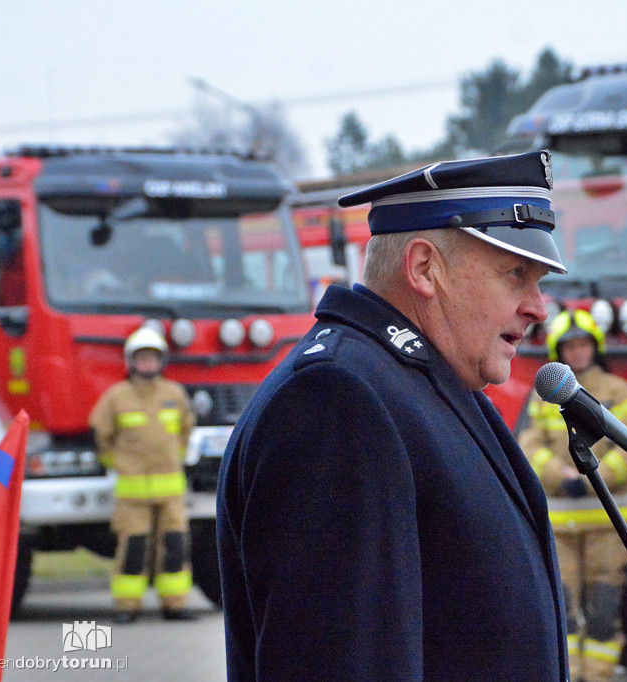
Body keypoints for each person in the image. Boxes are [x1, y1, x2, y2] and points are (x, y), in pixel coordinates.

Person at [217, 150, 570, 681]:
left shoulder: (427, 383)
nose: (538, 307)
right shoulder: (337, 399)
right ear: (425, 268)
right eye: (515, 273)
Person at [517, 309, 627, 682]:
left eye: (583, 344)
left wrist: (593, 476)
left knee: (604, 608)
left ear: (595, 347)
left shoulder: (615, 390)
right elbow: (529, 444)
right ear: (559, 351)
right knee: (563, 610)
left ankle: (599, 675)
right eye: (569, 346)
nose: (577, 352)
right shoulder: (545, 396)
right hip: (559, 524)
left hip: (609, 523)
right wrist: (557, 473)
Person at [88, 326, 198, 623]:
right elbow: (100, 436)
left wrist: (174, 458)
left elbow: (187, 431)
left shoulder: (174, 394)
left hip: (171, 492)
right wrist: (119, 464)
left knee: (175, 546)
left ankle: (175, 604)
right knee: (133, 548)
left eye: (152, 358)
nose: (147, 363)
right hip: (132, 495)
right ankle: (127, 606)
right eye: (142, 358)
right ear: (131, 361)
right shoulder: (116, 397)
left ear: (161, 361)